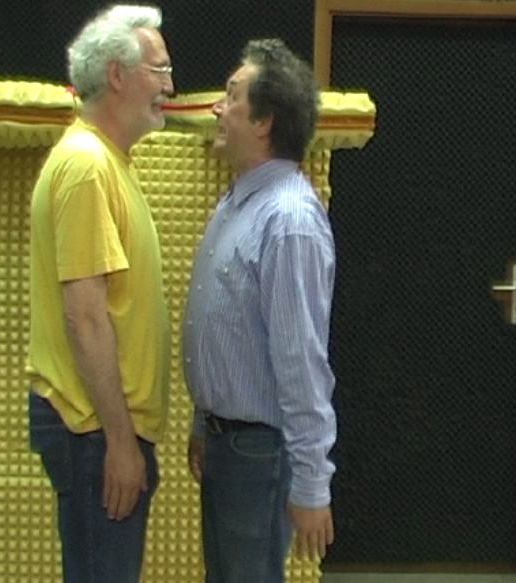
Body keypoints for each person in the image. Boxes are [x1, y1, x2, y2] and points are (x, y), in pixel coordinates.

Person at [25, 4, 174, 583]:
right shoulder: (87, 167)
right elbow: (85, 317)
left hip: (102, 431)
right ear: (117, 74)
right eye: (160, 70)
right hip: (94, 433)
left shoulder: (108, 163)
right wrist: (119, 441)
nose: (169, 86)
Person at [183, 39, 337, 583]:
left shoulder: (288, 221)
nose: (217, 108)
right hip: (229, 444)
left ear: (264, 121)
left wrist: (312, 484)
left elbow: (301, 361)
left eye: (231, 96)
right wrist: (204, 422)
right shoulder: (237, 202)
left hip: (259, 452)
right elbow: (225, 333)